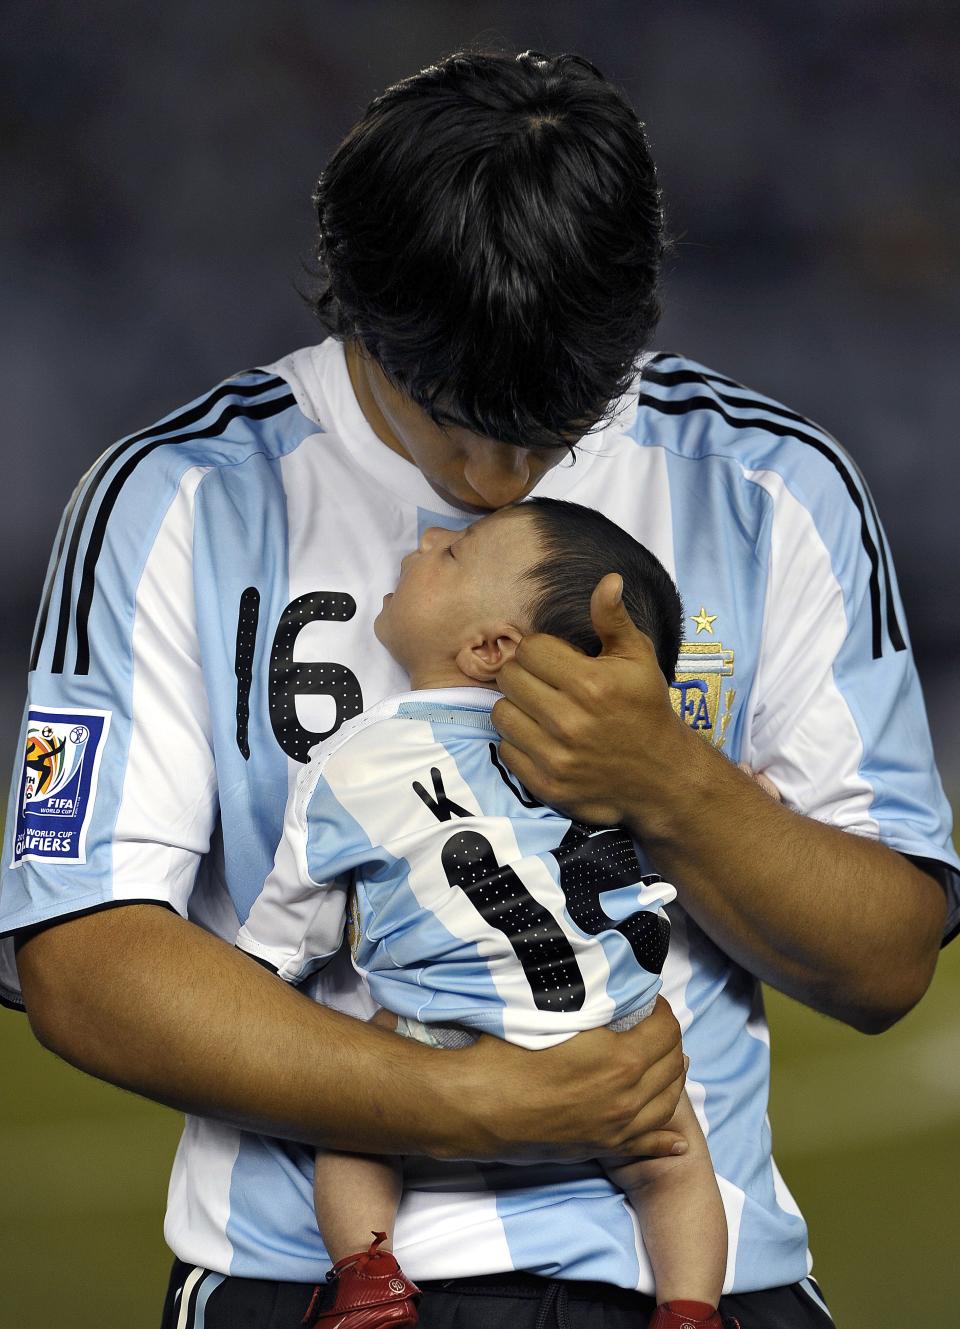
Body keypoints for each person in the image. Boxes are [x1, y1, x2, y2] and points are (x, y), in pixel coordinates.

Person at [2, 47, 956, 1329]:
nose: (503, 466)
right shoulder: (176, 499)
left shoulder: (769, 487)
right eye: (454, 410)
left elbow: (888, 958)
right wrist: (460, 1102)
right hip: (315, 1283)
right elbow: (81, 951)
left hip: (694, 1282)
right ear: (356, 309)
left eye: (554, 416)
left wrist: (668, 780)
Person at [236, 498, 728, 1329]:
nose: (427, 536)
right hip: (614, 1036)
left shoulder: (351, 762)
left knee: (353, 1125)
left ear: (488, 647)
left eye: (454, 552)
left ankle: (367, 1277)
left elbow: (282, 947)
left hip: (447, 1035)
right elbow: (666, 836)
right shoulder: (588, 759)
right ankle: (691, 1311)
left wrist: (261, 964)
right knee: (674, 1164)